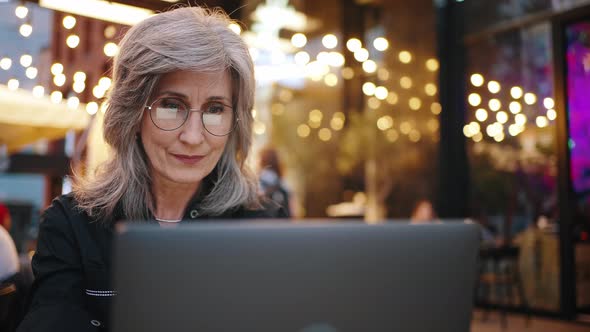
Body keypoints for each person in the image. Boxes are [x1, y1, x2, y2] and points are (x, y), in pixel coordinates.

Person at [17, 7, 287, 332]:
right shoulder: (73, 224)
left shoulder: (264, 224)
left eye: (215, 109)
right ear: (132, 115)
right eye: (171, 105)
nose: (193, 137)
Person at [258, 146, 291, 217]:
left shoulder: (259, 180)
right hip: (283, 224)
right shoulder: (283, 182)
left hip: (265, 222)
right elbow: (292, 209)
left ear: (262, 160)